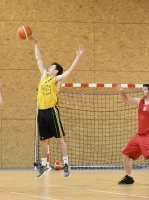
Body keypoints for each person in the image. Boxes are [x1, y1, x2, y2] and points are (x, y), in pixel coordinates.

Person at [29, 36, 85, 178]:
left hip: (51, 112)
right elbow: (38, 59)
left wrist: (77, 57)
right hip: (41, 112)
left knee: (59, 139)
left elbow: (70, 71)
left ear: (56, 71)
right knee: (42, 140)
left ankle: (66, 163)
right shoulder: (43, 76)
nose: (49, 67)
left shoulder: (56, 80)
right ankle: (44, 165)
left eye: (52, 67)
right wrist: (36, 44)